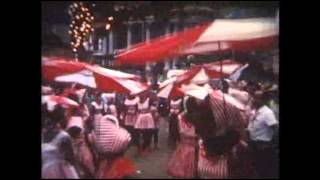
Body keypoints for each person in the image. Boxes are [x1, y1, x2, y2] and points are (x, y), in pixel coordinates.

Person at [42, 105, 79, 179]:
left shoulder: (43, 136)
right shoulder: (64, 136)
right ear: (60, 120)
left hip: (44, 171)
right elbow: (71, 159)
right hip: (60, 171)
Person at [247, 93, 279, 178]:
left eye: (257, 98)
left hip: (263, 144)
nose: (254, 100)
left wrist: (271, 141)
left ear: (263, 100)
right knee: (256, 164)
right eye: (254, 97)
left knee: (264, 167)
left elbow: (275, 127)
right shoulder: (254, 111)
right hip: (253, 142)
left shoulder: (267, 113)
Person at [167, 96, 199, 178]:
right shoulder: (200, 117)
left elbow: (178, 131)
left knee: (182, 167)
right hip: (196, 147)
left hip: (183, 146)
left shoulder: (180, 117)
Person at [66, 108, 95, 178]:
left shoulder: (70, 121)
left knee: (78, 170)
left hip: (74, 149)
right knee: (89, 168)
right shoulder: (80, 121)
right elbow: (88, 138)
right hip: (82, 148)